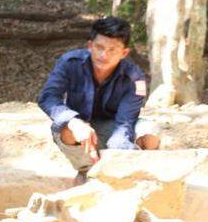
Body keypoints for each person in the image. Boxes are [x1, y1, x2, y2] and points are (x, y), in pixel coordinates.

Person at [38, 16, 160, 183]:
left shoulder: (134, 77)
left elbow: (125, 123)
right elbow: (48, 97)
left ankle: (136, 177)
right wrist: (73, 121)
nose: (104, 55)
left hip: (116, 125)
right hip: (80, 125)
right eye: (99, 47)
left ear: (124, 53)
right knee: (66, 129)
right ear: (90, 46)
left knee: (151, 132)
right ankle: (86, 172)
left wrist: (122, 155)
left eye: (112, 50)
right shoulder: (70, 63)